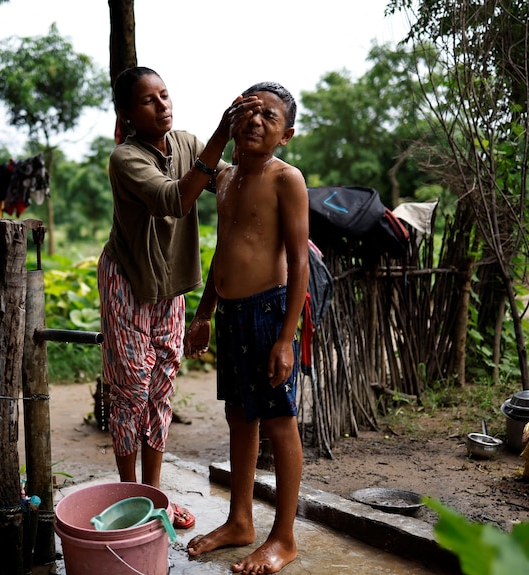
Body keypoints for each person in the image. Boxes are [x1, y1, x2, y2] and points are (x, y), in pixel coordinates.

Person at [99, 66, 262, 530]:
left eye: (165, 95)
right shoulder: (126, 159)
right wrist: (219, 134)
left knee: (162, 387)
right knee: (131, 388)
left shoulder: (188, 145)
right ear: (128, 114)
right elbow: (174, 199)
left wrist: (254, 150)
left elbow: (226, 180)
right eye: (149, 101)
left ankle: (155, 497)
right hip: (128, 282)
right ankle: (128, 498)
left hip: (171, 287)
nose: (162, 105)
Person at [184, 82, 309, 574]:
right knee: (239, 417)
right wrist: (205, 312)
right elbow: (225, 248)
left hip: (269, 313)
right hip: (233, 314)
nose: (255, 121)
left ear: (287, 135)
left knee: (280, 423)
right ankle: (240, 521)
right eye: (247, 111)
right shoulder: (228, 177)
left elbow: (299, 263)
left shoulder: (286, 179)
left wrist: (285, 336)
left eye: (269, 116)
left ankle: (284, 537)